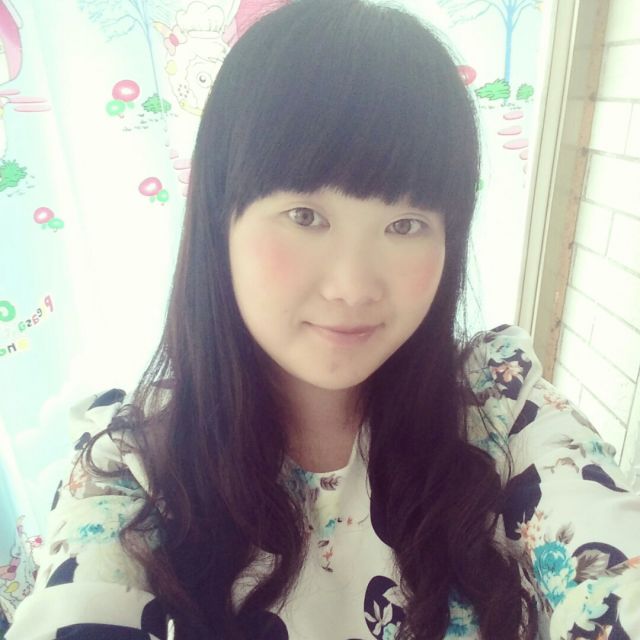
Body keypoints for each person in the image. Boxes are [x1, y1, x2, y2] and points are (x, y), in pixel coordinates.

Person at [7, 0, 640, 638]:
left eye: (406, 224)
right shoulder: (132, 470)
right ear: (220, 220)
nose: (353, 286)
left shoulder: (500, 411)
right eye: (306, 216)